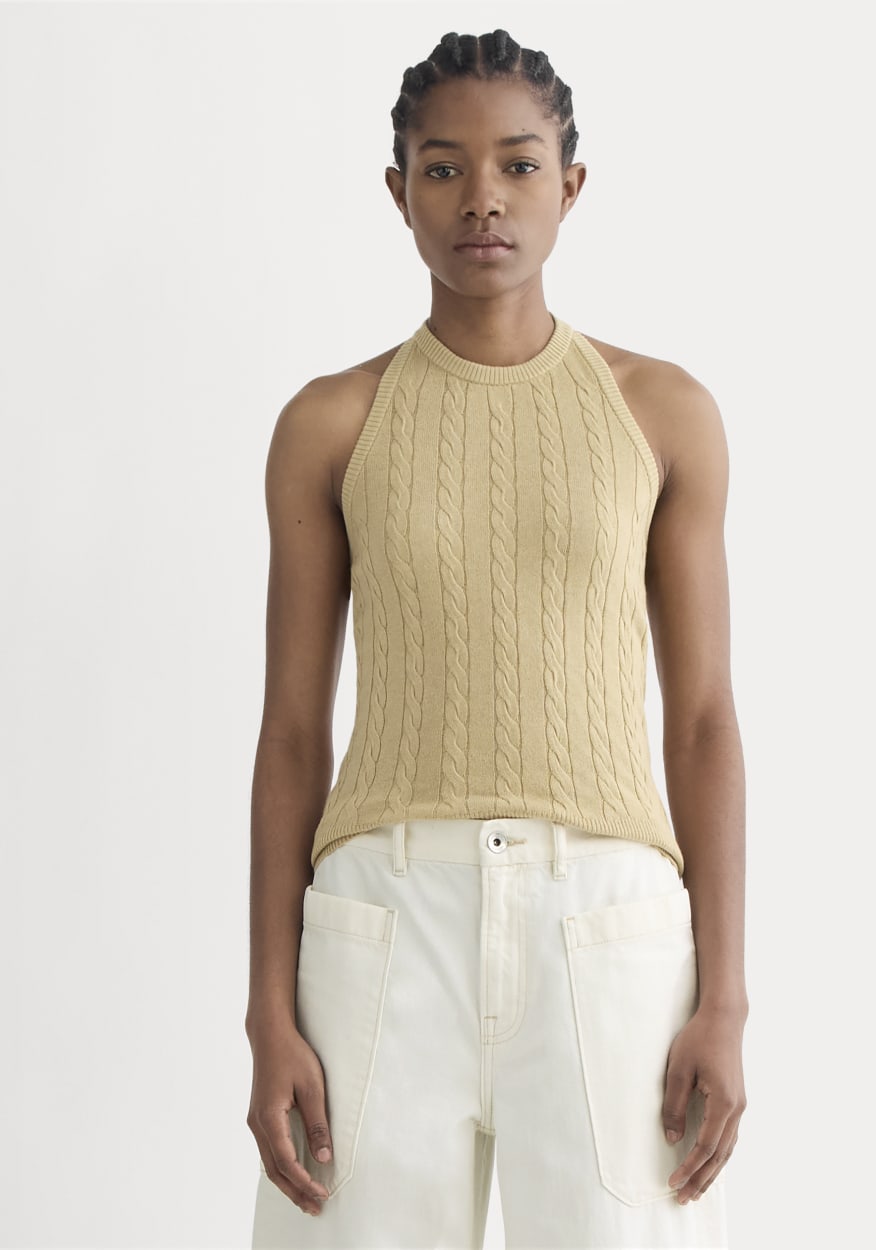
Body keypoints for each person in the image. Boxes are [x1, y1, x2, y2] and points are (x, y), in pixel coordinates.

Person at [245, 27, 747, 1250]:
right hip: (382, 920)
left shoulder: (660, 413)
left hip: (607, 923)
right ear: (398, 190)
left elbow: (700, 722)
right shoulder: (331, 424)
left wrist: (724, 996)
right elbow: (292, 733)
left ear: (569, 185)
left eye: (518, 165)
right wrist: (269, 1009)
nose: (482, 198)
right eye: (443, 167)